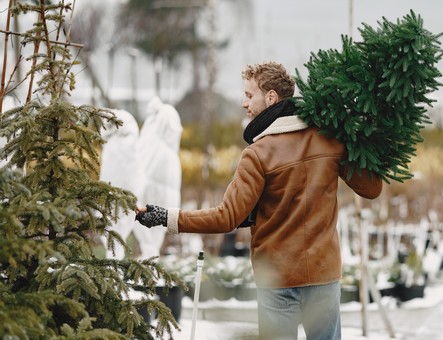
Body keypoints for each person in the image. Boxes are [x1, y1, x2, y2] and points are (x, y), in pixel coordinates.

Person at [135, 61, 382, 339]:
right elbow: (371, 189)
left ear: (271, 97)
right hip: (323, 275)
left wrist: (165, 216)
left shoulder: (258, 154)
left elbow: (226, 216)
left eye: (249, 95)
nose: (243, 103)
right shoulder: (329, 139)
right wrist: (358, 136)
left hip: (277, 280)